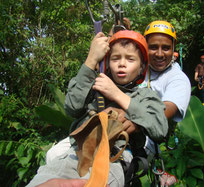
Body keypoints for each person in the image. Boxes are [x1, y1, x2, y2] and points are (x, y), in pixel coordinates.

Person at [27, 30, 169, 187]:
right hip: (77, 153)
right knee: (45, 179)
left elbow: (160, 129)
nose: (122, 63)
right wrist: (91, 60)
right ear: (108, 64)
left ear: (142, 67)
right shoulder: (95, 86)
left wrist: (116, 94)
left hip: (114, 158)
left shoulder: (146, 96)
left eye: (130, 59)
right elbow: (72, 108)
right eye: (115, 58)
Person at [139, 20, 191, 157]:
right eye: (153, 47)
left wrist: (131, 120)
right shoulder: (139, 68)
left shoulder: (178, 79)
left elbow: (164, 111)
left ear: (173, 49)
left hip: (145, 145)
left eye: (166, 48)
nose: (160, 54)